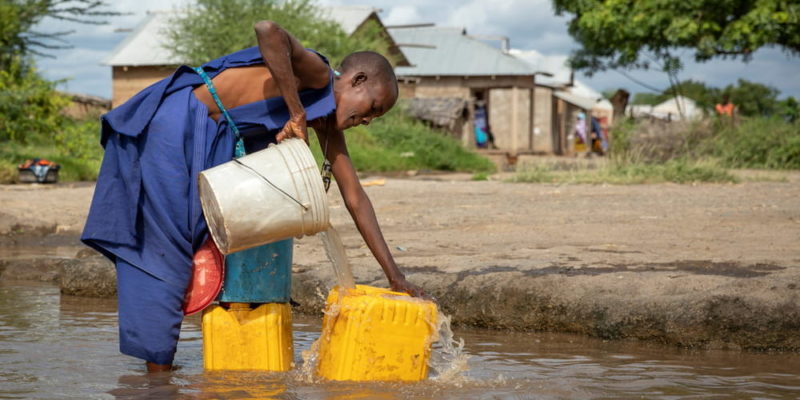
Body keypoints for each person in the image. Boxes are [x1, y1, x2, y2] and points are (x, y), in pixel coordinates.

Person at [81, 21, 425, 372]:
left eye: (374, 118)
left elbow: (355, 198)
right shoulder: (318, 74)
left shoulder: (325, 125)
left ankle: (157, 370)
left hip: (206, 140)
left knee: (195, 240)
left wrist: (395, 276)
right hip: (176, 125)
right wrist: (295, 111)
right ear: (357, 80)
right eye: (372, 108)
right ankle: (156, 378)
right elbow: (268, 30)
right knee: (166, 248)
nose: (367, 120)